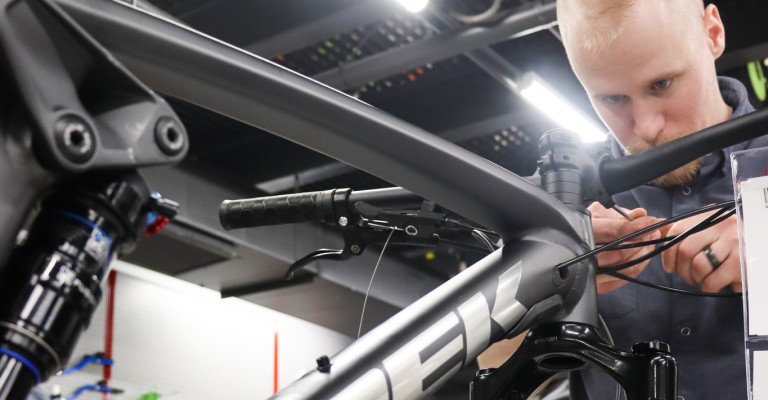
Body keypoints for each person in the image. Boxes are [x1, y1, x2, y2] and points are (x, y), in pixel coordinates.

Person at [479, 0, 762, 398]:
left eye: (661, 84)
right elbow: (492, 366)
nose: (646, 127)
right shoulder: (553, 205)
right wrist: (547, 289)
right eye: (613, 99)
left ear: (713, 33)